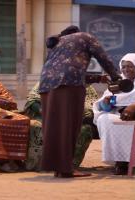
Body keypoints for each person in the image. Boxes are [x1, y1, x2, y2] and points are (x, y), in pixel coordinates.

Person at [39, 25, 121, 178]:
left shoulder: (58, 42)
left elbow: (65, 67)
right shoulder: (85, 37)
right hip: (68, 85)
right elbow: (103, 57)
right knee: (69, 125)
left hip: (46, 86)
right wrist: (116, 76)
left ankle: (58, 167)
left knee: (54, 127)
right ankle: (66, 169)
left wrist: (97, 78)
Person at [23, 83, 99, 171]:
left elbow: (91, 107)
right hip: (46, 117)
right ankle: (37, 164)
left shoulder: (84, 86)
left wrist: (74, 116)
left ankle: (67, 167)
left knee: (83, 130)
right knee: (35, 126)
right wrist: (48, 113)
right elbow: (32, 100)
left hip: (74, 120)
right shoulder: (48, 81)